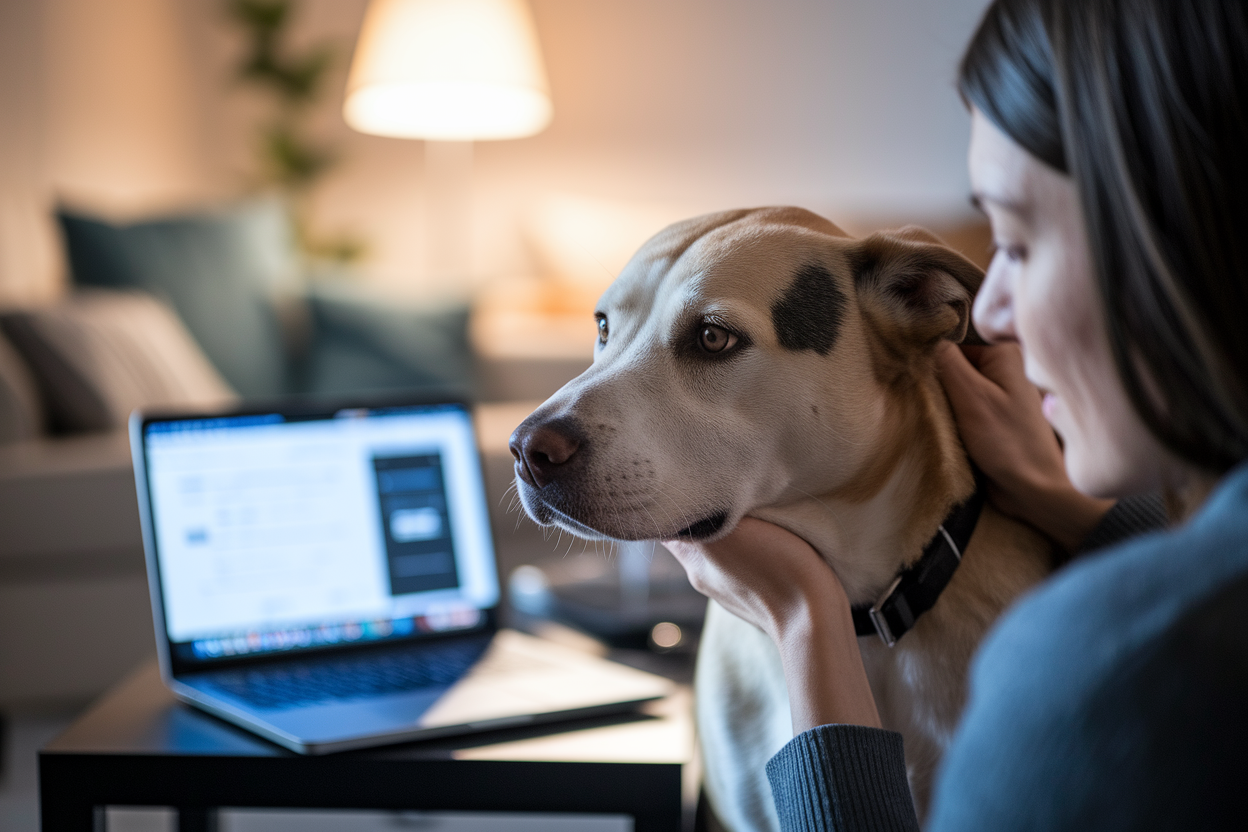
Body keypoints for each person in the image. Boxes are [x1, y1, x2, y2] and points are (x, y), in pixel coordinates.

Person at [665, 0, 1248, 828]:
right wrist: (1064, 503)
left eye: (1017, 242)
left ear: (1178, 240)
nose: (992, 310)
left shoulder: (1104, 678)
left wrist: (804, 620)